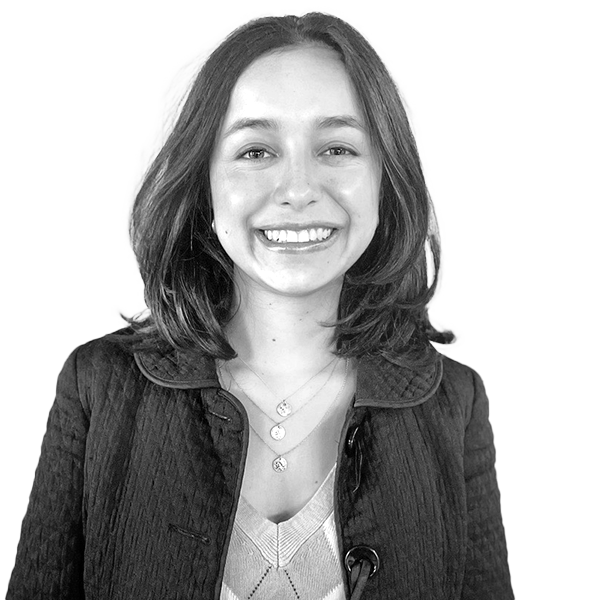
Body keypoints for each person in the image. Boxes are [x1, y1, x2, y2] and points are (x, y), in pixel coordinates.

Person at [7, 11, 514, 600]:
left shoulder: (456, 404)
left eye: (337, 148)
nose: (298, 190)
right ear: (205, 184)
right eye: (255, 151)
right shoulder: (97, 386)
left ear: (385, 178)